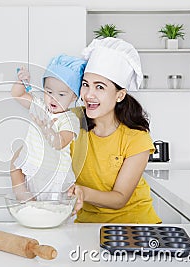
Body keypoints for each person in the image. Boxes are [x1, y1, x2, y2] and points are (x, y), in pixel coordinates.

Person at [69, 37, 162, 223]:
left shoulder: (136, 137)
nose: (88, 95)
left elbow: (119, 198)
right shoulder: (71, 121)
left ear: (120, 95)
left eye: (100, 87)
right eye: (85, 84)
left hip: (134, 227)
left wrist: (82, 192)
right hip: (87, 225)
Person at [10, 55, 87, 199]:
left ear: (74, 97)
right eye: (49, 92)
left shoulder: (70, 120)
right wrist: (21, 81)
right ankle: (30, 207)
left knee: (52, 211)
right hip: (33, 168)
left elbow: (60, 143)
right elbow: (17, 94)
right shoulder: (40, 106)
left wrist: (47, 130)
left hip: (54, 174)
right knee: (33, 208)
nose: (53, 98)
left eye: (61, 94)